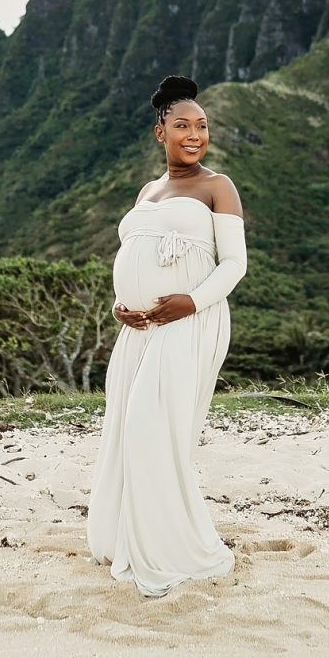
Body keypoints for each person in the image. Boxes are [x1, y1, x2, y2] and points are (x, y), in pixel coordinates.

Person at [85, 74, 247, 597]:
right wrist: (120, 304)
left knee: (153, 431)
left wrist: (189, 301)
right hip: (139, 330)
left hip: (191, 321)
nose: (195, 133)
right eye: (183, 125)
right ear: (161, 132)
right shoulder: (148, 191)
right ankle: (130, 535)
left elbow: (235, 265)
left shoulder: (217, 186)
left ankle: (171, 549)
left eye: (202, 125)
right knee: (125, 430)